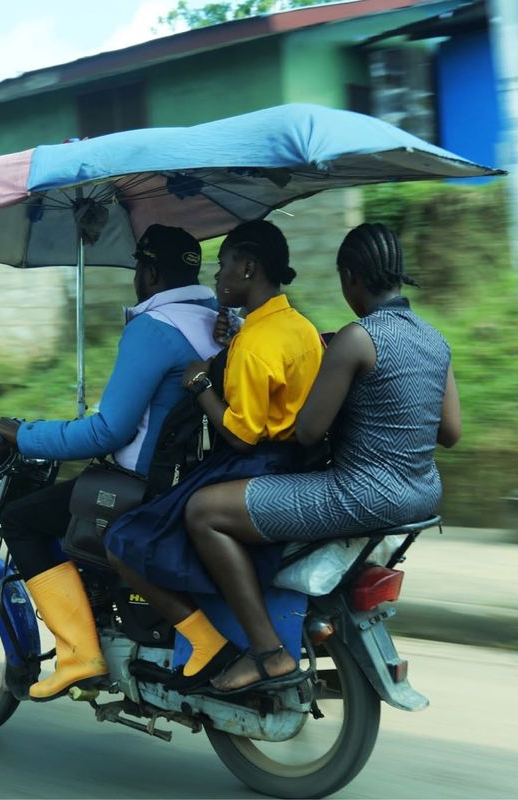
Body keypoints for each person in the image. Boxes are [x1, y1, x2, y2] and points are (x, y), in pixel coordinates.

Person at [184, 222, 462, 694]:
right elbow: (451, 433)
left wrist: (336, 370)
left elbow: (310, 429)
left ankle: (268, 653)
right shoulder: (433, 338)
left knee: (203, 512)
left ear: (350, 278)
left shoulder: (357, 338)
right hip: (421, 493)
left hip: (361, 493)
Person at [0, 224, 222, 701]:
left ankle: (78, 654)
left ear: (149, 271)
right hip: (194, 478)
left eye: (139, 268)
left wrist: (24, 434)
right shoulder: (220, 320)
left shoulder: (155, 330)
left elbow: (108, 430)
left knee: (21, 519)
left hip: (140, 486)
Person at [103, 219, 323, 692]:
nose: (216, 278)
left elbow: (242, 435)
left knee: (127, 538)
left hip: (253, 460)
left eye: (223, 266)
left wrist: (201, 384)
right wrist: (230, 346)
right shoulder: (295, 326)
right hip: (293, 460)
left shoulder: (256, 344)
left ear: (247, 268)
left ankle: (236, 647)